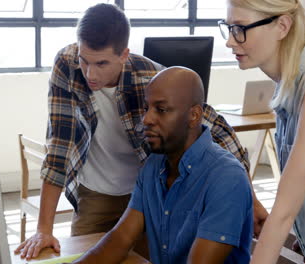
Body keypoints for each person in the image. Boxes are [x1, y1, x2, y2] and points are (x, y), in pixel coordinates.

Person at [15, 3, 264, 260]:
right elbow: (60, 145)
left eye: (101, 63)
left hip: (142, 188)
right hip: (98, 191)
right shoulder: (67, 66)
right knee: (94, 249)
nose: (90, 73)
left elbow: (220, 132)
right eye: (84, 60)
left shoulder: (150, 78)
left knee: (147, 255)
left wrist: (252, 200)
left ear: (124, 55)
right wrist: (43, 229)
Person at [72, 67, 253, 264]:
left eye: (161, 109)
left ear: (194, 115)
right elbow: (121, 238)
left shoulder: (227, 178)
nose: (146, 119)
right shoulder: (153, 165)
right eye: (147, 108)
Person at [218, 0, 305, 263]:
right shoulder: (288, 80)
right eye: (228, 27)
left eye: (240, 28)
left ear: (282, 26)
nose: (230, 42)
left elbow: (283, 214)